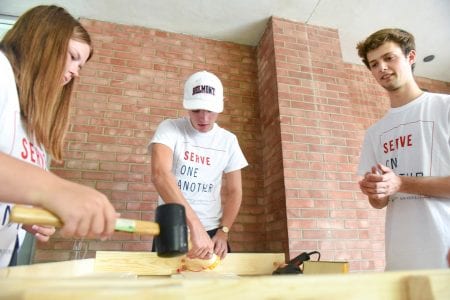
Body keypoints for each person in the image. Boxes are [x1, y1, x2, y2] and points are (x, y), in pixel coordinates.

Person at [0, 5, 117, 268]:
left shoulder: (30, 118)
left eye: (81, 66)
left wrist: (24, 213)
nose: (76, 72)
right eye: (73, 56)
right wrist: (54, 189)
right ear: (42, 42)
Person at [356, 28, 450, 270]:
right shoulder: (375, 132)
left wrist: (401, 183)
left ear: (410, 57)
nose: (382, 68)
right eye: (374, 63)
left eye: (389, 58)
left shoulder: (445, 108)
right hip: (400, 262)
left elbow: (399, 183)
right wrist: (377, 192)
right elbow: (380, 204)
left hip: (444, 255)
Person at [149, 71, 248, 260]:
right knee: (168, 287)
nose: (204, 118)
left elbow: (235, 191)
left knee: (214, 287)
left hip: (212, 232)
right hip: (173, 228)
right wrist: (195, 226)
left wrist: (223, 232)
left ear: (220, 105)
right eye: (196, 110)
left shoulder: (228, 141)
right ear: (187, 105)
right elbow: (160, 175)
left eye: (210, 110)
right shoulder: (170, 128)